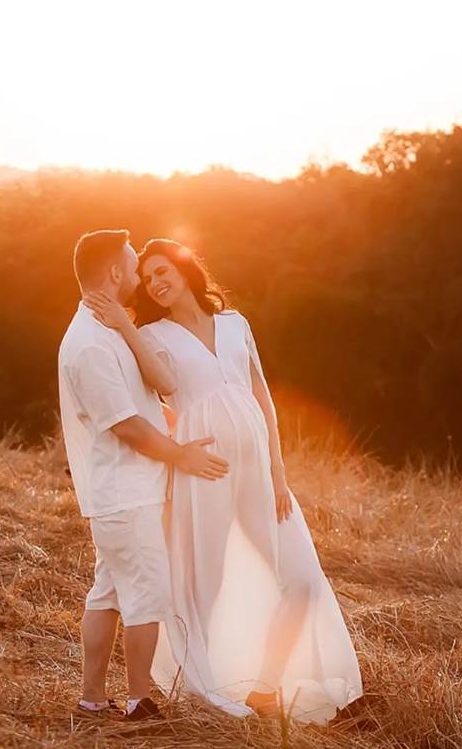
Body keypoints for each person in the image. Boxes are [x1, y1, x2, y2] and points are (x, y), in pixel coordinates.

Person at [85, 239, 363, 724]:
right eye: (147, 278)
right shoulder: (154, 334)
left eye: (162, 270)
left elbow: (263, 398)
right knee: (202, 585)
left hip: (259, 469)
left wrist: (278, 471)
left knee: (301, 578)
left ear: (185, 268)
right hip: (202, 467)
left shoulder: (236, 325)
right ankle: (203, 688)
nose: (156, 282)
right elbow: (167, 388)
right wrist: (128, 327)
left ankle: (263, 687)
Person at [58, 229, 229, 722]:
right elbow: (128, 427)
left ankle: (92, 697)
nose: (138, 277)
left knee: (109, 591)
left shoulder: (106, 329)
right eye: (134, 268)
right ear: (115, 273)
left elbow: (150, 398)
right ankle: (140, 701)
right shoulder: (90, 344)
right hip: (127, 493)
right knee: (145, 595)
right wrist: (181, 456)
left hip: (127, 491)